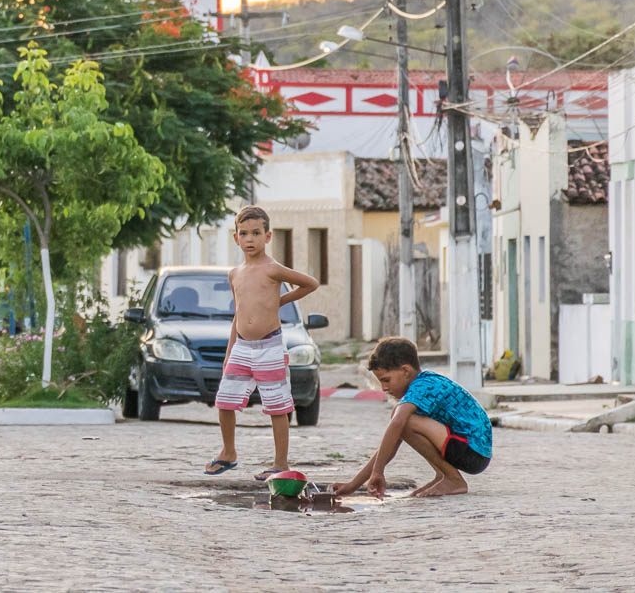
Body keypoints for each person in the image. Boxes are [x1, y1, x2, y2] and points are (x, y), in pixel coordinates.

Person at [204, 205, 320, 481]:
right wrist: (229, 351)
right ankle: (228, 452)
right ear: (236, 238)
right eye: (244, 233)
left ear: (268, 236)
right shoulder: (235, 274)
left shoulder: (273, 269)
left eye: (256, 233)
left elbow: (311, 283)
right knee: (225, 401)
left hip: (270, 346)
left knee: (277, 406)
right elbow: (239, 313)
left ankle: (280, 463)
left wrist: (280, 301)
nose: (250, 239)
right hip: (242, 346)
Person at [333, 337, 493, 499]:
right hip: (469, 450)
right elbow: (390, 444)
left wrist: (378, 472)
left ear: (406, 371)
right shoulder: (421, 386)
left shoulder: (424, 386)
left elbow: (398, 424)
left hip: (473, 452)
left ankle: (452, 479)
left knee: (403, 420)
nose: (384, 388)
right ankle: (443, 476)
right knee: (400, 419)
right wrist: (353, 485)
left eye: (386, 380)